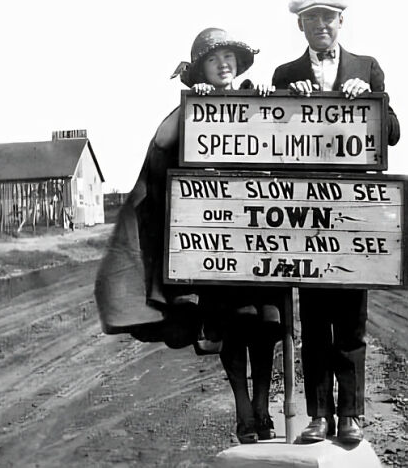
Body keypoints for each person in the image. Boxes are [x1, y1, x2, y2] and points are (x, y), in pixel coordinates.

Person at [95, 27, 282, 444]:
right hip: (216, 237)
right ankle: (244, 413)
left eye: (229, 57)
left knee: (268, 323)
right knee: (237, 322)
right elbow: (160, 144)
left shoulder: (258, 96)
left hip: (260, 232)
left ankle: (267, 406)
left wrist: (267, 97)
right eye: (214, 59)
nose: (224, 65)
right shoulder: (190, 110)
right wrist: (192, 104)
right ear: (200, 68)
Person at [272, 0, 401, 444]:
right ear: (301, 27)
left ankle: (350, 415)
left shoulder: (367, 67)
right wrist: (290, 99)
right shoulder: (286, 73)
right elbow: (271, 138)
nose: (321, 27)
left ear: (340, 23)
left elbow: (393, 133)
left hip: (354, 214)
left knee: (351, 323)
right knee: (315, 322)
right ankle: (319, 415)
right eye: (312, 20)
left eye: (328, 19)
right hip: (305, 218)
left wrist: (371, 99)